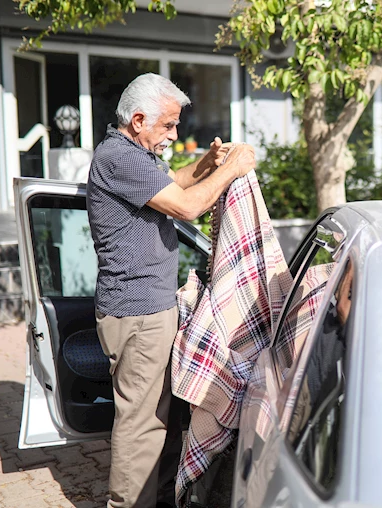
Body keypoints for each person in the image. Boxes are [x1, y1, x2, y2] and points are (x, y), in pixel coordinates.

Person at [86, 73, 255, 508]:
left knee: (160, 417)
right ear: (139, 120)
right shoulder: (118, 157)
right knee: (141, 424)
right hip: (138, 315)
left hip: (149, 311)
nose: (175, 134)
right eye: (169, 125)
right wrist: (234, 168)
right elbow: (188, 206)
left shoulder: (134, 154)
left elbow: (174, 184)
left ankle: (159, 497)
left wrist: (206, 165)